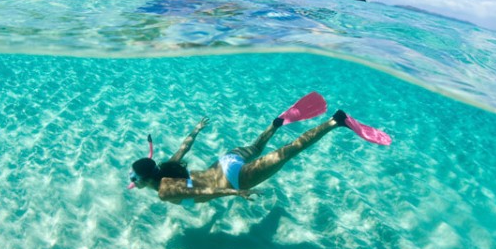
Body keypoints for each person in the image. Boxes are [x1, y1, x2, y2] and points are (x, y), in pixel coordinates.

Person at [127, 93, 391, 205]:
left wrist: (234, 192)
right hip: (224, 161)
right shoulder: (164, 168)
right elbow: (184, 148)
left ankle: (337, 121)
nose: (132, 181)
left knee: (288, 152)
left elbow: (202, 191)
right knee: (256, 146)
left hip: (234, 177)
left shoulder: (163, 190)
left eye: (133, 178)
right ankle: (277, 123)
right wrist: (196, 129)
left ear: (147, 178)